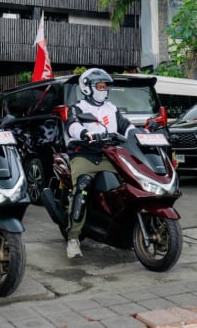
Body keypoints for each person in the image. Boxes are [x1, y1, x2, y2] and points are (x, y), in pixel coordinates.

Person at [64, 68, 135, 259]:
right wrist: (84, 133)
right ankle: (73, 238)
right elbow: (72, 125)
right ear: (87, 88)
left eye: (105, 86)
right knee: (82, 187)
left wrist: (138, 134)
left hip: (109, 155)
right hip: (85, 154)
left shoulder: (111, 108)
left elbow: (126, 126)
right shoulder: (78, 107)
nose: (104, 90)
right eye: (100, 86)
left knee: (129, 185)